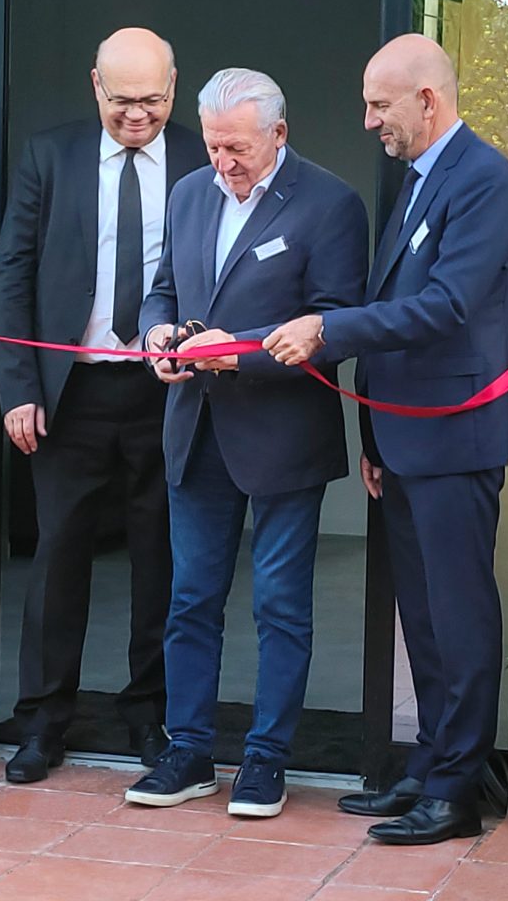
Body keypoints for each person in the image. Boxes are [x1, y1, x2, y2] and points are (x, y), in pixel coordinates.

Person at [263, 34, 508, 843]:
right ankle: (429, 765)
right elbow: (399, 303)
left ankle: (456, 792)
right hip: (408, 439)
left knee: (459, 615)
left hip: (456, 437)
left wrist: (326, 329)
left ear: (428, 100)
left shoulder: (484, 180)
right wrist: (374, 436)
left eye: (380, 104)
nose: (369, 120)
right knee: (422, 617)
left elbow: (447, 306)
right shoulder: (418, 180)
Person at [123, 67, 368, 817]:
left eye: (238, 148)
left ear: (279, 134)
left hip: (283, 436)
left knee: (280, 606)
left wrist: (241, 353)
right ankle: (189, 751)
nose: (223, 162)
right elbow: (163, 289)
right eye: (213, 146)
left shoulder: (331, 203)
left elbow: (335, 323)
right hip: (195, 429)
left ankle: (267, 760)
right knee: (190, 599)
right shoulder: (189, 194)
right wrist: (158, 335)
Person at [0, 27, 207, 783]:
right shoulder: (49, 156)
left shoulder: (201, 159)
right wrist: (19, 389)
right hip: (69, 395)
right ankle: (43, 721)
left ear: (173, 89)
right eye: (122, 100)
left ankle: (149, 715)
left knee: (160, 558)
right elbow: (11, 275)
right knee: (58, 558)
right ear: (95, 87)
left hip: (165, 391)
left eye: (152, 99)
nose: (137, 114)